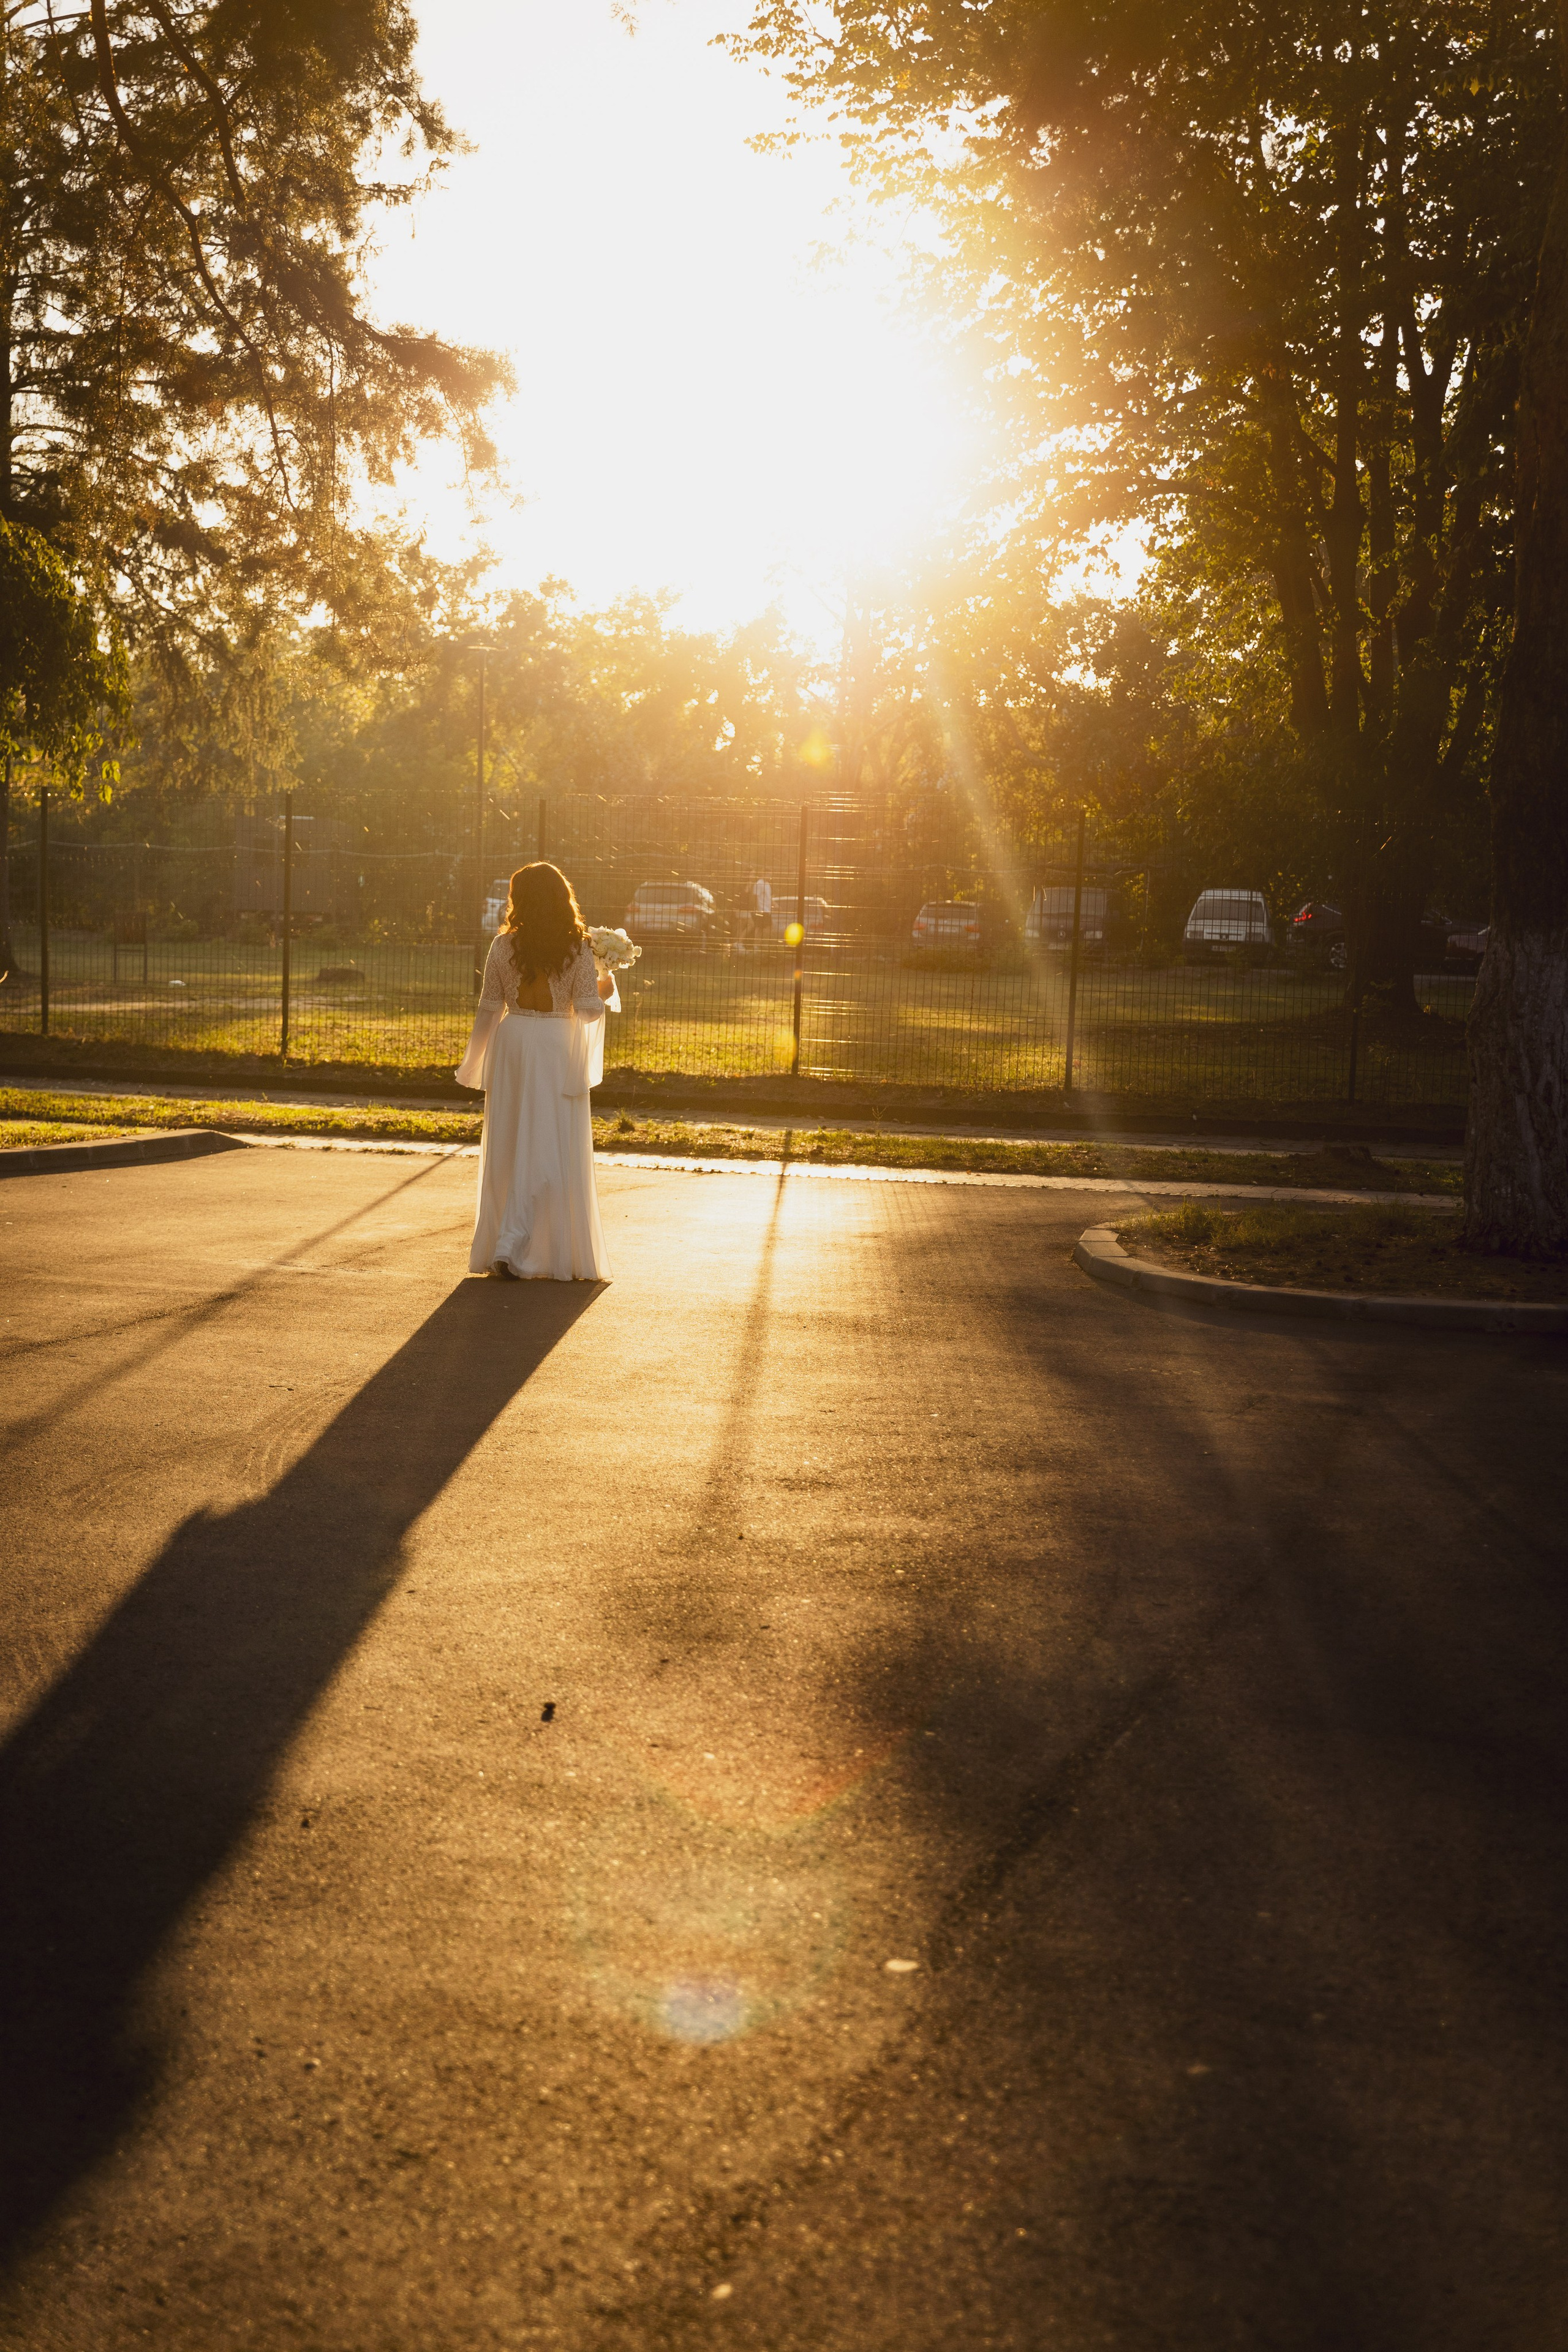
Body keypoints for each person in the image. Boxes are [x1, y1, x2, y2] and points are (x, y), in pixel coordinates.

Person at [455, 862, 617, 1281]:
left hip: (513, 1044)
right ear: (562, 898)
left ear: (520, 899)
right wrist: (607, 987)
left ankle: (507, 1241)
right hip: (554, 1047)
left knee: (510, 1142)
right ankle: (536, 1243)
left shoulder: (502, 946)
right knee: (552, 1143)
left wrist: (473, 1062)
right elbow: (586, 1010)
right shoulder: (579, 948)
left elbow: (490, 1007)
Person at [749, 873, 773, 944]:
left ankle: (759, 944)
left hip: (767, 910)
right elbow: (755, 896)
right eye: (768, 875)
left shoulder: (768, 884)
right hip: (761, 910)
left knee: (763, 928)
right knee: (760, 927)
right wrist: (757, 909)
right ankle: (757, 944)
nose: (770, 877)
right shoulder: (760, 884)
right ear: (763, 874)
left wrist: (774, 904)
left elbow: (768, 897)